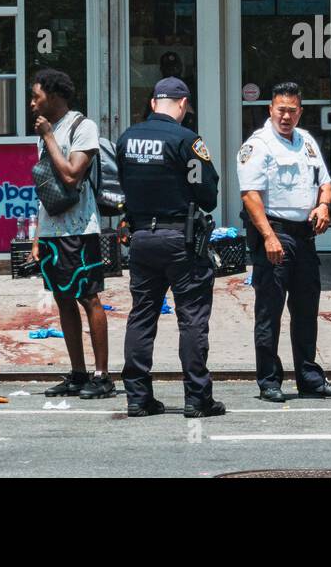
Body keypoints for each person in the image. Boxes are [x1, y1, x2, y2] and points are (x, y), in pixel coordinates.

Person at [116, 77, 224, 418]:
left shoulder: (127, 138)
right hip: (180, 238)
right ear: (183, 105)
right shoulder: (186, 140)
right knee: (191, 318)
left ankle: (137, 396)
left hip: (141, 239)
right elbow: (208, 194)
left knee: (142, 316)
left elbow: (123, 185)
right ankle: (196, 398)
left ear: (152, 103)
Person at [237, 81, 331, 402]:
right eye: (281, 110)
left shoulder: (306, 141)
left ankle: (309, 378)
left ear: (300, 111)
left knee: (306, 310)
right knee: (269, 312)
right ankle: (269, 380)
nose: (286, 116)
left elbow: (325, 182)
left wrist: (324, 205)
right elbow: (250, 196)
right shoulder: (259, 145)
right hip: (275, 233)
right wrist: (269, 236)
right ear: (270, 109)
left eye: (292, 111)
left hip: (304, 237)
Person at [27, 69, 113, 400]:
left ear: (56, 94)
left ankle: (102, 375)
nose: (33, 103)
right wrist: (37, 236)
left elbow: (72, 176)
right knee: (63, 299)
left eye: (37, 96)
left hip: (80, 229)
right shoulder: (44, 131)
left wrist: (49, 137)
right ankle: (78, 373)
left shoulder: (82, 127)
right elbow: (46, 189)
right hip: (52, 231)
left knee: (88, 297)